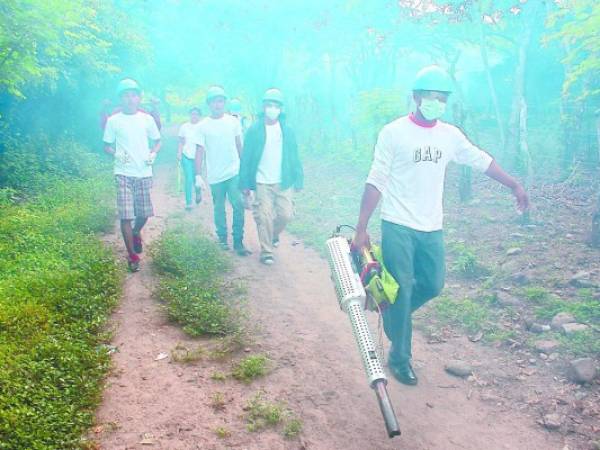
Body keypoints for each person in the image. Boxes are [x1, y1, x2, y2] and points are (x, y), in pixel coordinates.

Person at [352, 66, 529, 386]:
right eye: (430, 96)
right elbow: (376, 179)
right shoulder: (393, 133)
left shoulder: (450, 135)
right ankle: (400, 357)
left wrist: (513, 184)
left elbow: (481, 160)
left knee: (433, 284)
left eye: (441, 97)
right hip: (398, 224)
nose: (435, 102)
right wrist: (361, 227)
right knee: (403, 286)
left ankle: (394, 315)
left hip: (432, 225)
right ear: (416, 98)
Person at [239, 88, 303, 265]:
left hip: (284, 180)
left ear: (281, 109)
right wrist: (244, 184)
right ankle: (267, 251)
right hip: (262, 181)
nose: (272, 109)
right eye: (269, 105)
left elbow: (294, 155)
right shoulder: (254, 130)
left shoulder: (287, 131)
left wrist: (299, 178)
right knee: (264, 215)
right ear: (263, 107)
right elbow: (246, 158)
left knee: (286, 215)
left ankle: (273, 234)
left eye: (276, 105)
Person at [103, 78, 161, 272]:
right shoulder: (113, 121)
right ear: (120, 99)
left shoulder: (147, 119)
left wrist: (153, 153)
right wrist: (116, 153)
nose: (130, 99)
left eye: (133, 95)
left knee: (144, 213)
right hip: (123, 173)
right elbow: (107, 146)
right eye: (126, 95)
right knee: (126, 215)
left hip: (144, 172)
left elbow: (158, 141)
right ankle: (132, 255)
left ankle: (136, 231)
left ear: (139, 98)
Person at [194, 86, 251, 256]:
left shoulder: (233, 122)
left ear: (224, 103)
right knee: (219, 207)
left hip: (233, 172)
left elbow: (239, 146)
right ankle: (222, 239)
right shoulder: (202, 126)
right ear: (209, 104)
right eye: (214, 101)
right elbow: (199, 151)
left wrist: (245, 171)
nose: (217, 105)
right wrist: (197, 175)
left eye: (220, 101)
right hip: (215, 175)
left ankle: (238, 241)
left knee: (238, 204)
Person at [178, 107, 204, 210]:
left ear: (199, 116)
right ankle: (189, 202)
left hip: (198, 157)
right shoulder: (184, 127)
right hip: (186, 156)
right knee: (188, 178)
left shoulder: (202, 127)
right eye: (192, 114)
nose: (194, 116)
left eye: (196, 114)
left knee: (196, 178)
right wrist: (179, 152)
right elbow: (181, 141)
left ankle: (198, 193)